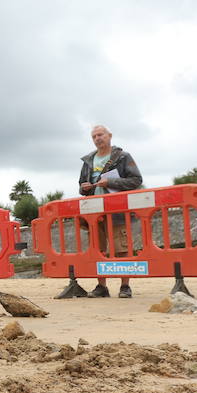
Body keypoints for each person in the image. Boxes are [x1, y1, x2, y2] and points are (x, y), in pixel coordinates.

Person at [77, 125, 144, 298]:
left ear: (109, 136)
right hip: (94, 211)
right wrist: (84, 188)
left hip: (117, 211)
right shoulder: (88, 160)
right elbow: (81, 186)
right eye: (94, 136)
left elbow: (136, 180)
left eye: (101, 134)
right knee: (97, 249)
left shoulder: (123, 157)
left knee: (122, 249)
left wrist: (111, 183)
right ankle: (101, 287)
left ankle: (125, 286)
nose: (98, 138)